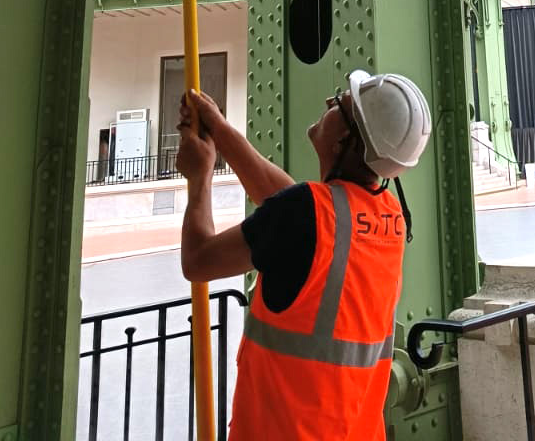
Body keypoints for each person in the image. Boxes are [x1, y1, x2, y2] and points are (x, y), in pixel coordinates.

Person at [174, 69, 432, 440]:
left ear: (344, 137)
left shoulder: (306, 215)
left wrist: (200, 177)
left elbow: (197, 261)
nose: (328, 103)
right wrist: (220, 130)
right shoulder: (387, 215)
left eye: (339, 105)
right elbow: (290, 207)